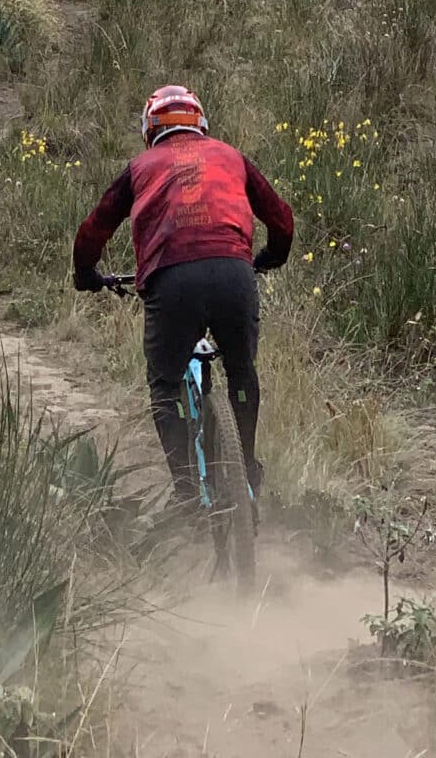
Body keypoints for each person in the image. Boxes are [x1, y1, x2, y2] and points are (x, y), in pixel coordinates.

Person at [72, 85, 292, 504]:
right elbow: (281, 217)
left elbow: (94, 228)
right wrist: (270, 257)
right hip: (234, 273)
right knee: (241, 372)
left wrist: (86, 273)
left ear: (149, 130)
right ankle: (245, 467)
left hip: (171, 282)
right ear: (202, 124)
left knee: (166, 386)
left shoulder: (140, 166)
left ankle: (188, 492)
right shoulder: (231, 156)